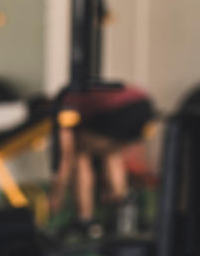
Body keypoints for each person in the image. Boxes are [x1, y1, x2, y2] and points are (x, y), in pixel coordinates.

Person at [49, 83, 154, 234]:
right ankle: (122, 215)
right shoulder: (81, 96)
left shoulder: (63, 104)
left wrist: (56, 194)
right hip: (143, 104)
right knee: (111, 151)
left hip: (121, 108)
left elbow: (66, 155)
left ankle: (85, 219)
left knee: (80, 153)